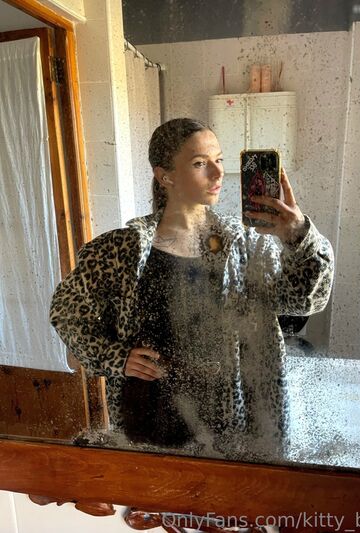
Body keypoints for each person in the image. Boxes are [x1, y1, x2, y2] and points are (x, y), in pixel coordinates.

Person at [49, 118, 334, 460]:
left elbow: (304, 300)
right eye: (200, 163)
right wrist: (116, 357)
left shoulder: (245, 245)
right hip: (151, 425)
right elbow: (66, 312)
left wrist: (298, 235)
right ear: (165, 176)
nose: (218, 173)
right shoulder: (121, 250)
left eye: (219, 159)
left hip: (231, 428)